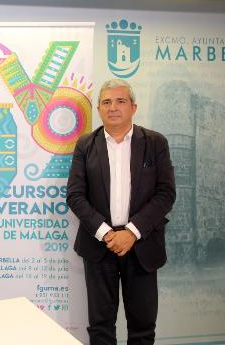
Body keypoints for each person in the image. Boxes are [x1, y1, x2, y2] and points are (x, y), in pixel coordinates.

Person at [66, 79, 176, 345]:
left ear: (133, 107)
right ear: (99, 109)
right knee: (101, 327)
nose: (112, 107)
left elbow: (165, 193)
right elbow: (75, 195)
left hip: (141, 245)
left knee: (142, 326)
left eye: (120, 101)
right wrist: (106, 233)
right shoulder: (85, 145)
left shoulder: (155, 142)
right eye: (106, 102)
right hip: (98, 246)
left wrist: (131, 232)